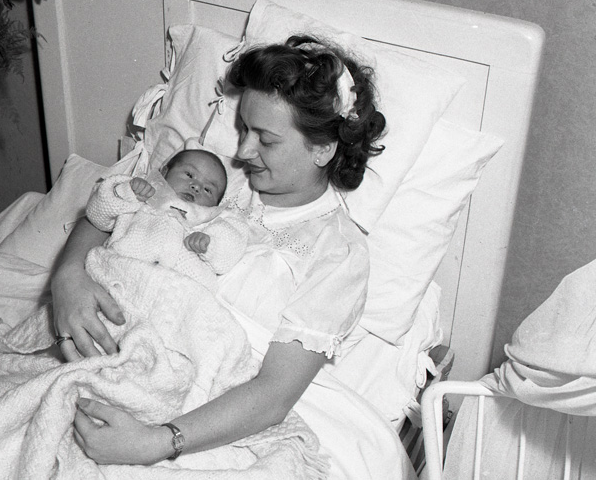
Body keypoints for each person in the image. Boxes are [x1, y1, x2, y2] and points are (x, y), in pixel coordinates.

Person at [52, 35, 387, 470]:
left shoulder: (338, 252)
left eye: (266, 140)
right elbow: (112, 210)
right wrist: (68, 276)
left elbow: (273, 395)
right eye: (244, 128)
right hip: (123, 351)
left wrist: (158, 442)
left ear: (323, 148)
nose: (243, 151)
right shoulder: (216, 179)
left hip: (213, 407)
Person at [86, 147, 247, 289]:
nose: (196, 186)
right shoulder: (142, 199)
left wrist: (210, 244)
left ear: (215, 205)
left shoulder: (209, 222)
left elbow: (231, 249)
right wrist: (126, 192)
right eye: (189, 174)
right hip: (121, 274)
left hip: (176, 293)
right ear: (163, 173)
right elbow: (97, 216)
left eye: (208, 189)